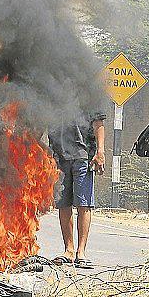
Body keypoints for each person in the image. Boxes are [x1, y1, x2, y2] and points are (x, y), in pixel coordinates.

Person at [48, 111, 106, 269]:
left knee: (83, 204)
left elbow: (98, 124)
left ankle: (81, 252)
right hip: (58, 156)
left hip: (83, 155)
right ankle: (69, 250)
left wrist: (100, 152)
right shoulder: (51, 91)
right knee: (63, 203)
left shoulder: (88, 90)